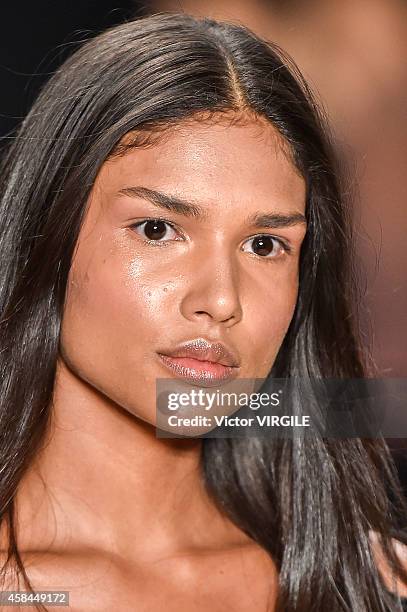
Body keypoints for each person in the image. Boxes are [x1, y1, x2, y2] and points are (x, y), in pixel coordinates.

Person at [0, 12, 406, 611]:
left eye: (265, 246)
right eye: (158, 229)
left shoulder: (356, 582)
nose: (221, 300)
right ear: (49, 232)